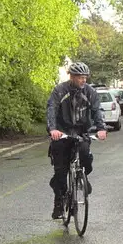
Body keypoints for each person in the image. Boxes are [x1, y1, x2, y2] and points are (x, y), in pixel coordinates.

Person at [46, 61, 107, 219]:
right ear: (72, 77)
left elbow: (96, 110)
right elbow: (51, 108)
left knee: (85, 155)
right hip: (62, 133)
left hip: (81, 132)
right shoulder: (60, 90)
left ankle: (83, 177)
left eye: (85, 77)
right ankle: (59, 201)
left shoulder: (90, 92)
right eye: (80, 77)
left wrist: (101, 128)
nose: (83, 80)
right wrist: (53, 129)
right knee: (61, 171)